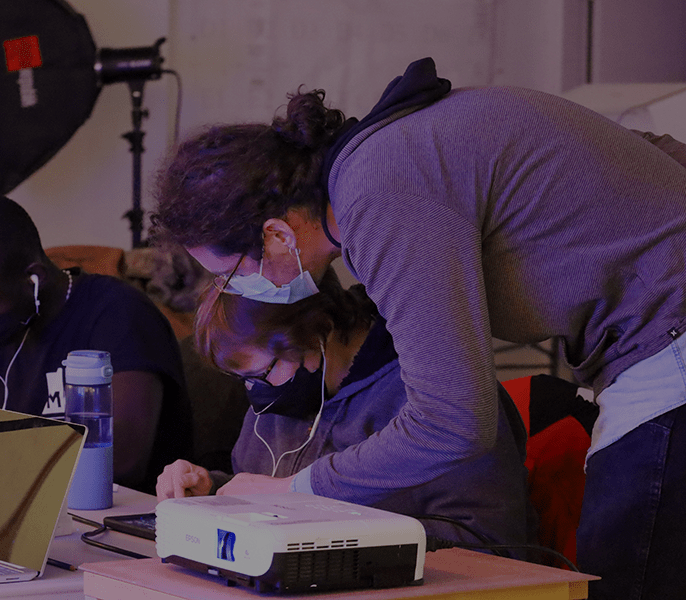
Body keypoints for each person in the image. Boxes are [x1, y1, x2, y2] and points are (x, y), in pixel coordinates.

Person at [153, 57, 686, 598]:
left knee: (628, 578)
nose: (238, 291)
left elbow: (453, 421)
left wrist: (293, 491)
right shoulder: (387, 156)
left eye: (232, 274)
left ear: (273, 236)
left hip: (669, 341)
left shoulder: (378, 193)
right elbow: (651, 151)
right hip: (654, 342)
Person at [157, 269, 535, 553]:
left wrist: (323, 522)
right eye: (242, 379)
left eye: (261, 373)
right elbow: (266, 494)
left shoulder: (432, 397)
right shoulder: (281, 396)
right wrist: (212, 493)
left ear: (318, 332)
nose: (255, 392)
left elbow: (495, 542)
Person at [0, 192, 192, 494]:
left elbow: (124, 457)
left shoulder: (118, 314)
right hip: (40, 520)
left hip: (127, 520)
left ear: (34, 278)